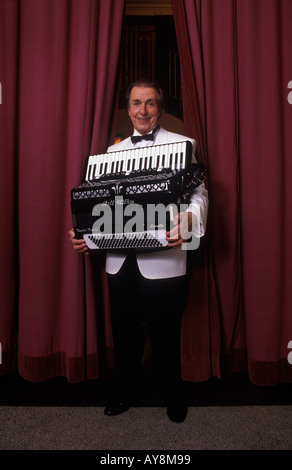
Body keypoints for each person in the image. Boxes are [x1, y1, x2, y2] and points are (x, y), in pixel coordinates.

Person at [69, 79, 208, 422]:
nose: (142, 110)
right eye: (135, 103)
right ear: (128, 108)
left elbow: (199, 194)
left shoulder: (183, 144)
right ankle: (126, 391)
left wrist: (190, 219)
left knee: (165, 332)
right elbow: (100, 204)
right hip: (119, 262)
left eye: (149, 103)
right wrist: (85, 235)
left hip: (165, 260)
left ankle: (173, 395)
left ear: (160, 109)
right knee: (125, 333)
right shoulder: (110, 154)